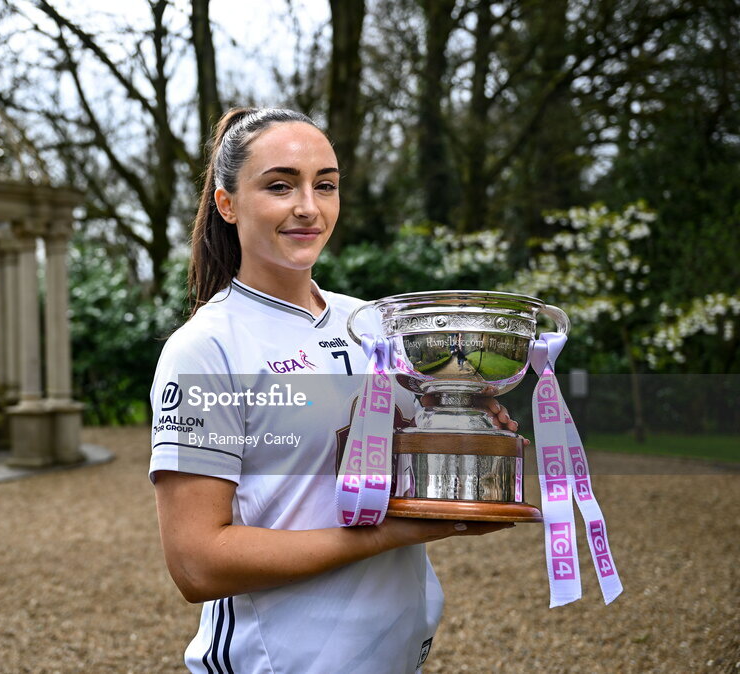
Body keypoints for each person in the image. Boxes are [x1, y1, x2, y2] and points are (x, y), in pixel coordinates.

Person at [149, 107, 518, 673]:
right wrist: (387, 535)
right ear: (227, 204)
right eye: (280, 185)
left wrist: (464, 419)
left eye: (326, 185)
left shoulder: (378, 325)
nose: (308, 206)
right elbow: (198, 564)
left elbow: (405, 463)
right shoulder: (206, 348)